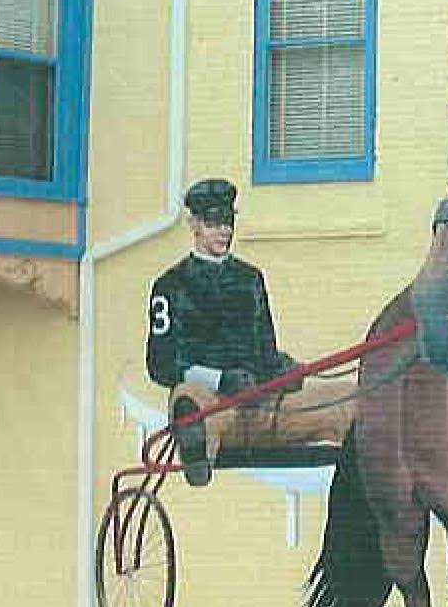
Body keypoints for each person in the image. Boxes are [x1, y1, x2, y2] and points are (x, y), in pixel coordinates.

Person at [145, 179, 353, 485]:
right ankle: (196, 446)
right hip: (214, 405)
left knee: (345, 399)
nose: (224, 232)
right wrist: (219, 379)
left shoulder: (250, 279)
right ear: (194, 225)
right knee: (188, 400)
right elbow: (161, 365)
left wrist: (283, 368)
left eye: (228, 223)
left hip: (262, 408)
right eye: (214, 223)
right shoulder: (170, 286)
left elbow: (265, 350)